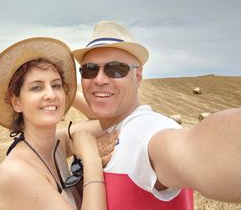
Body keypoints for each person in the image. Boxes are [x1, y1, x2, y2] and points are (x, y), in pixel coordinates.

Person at [70, 21, 241, 210]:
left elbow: (198, 152)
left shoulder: (145, 131)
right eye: (90, 70)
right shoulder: (107, 130)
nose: (100, 79)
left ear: (138, 76)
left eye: (116, 69)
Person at [0, 37, 106, 210]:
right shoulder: (16, 172)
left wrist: (67, 92)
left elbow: (102, 119)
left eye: (56, 86)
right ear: (16, 102)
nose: (51, 94)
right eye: (36, 87)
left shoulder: (57, 144)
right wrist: (91, 159)